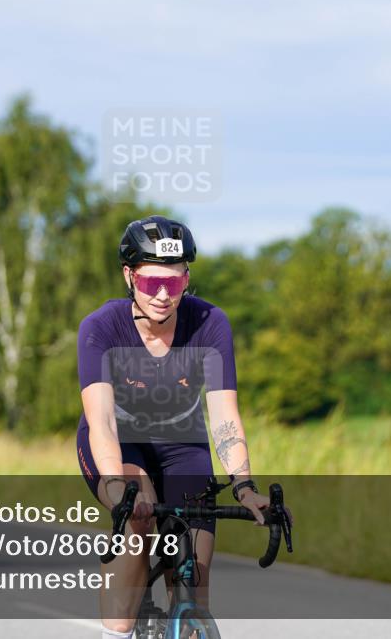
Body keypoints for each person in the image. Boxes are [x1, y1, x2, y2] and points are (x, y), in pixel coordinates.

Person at [76, 215, 271, 639]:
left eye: (176, 283)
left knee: (194, 585)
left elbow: (223, 416)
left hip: (183, 443)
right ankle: (118, 630)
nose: (164, 295)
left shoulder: (209, 323)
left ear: (187, 278)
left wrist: (244, 484)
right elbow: (102, 421)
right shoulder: (101, 328)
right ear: (129, 276)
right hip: (120, 442)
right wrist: (115, 486)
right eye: (151, 284)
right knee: (137, 512)